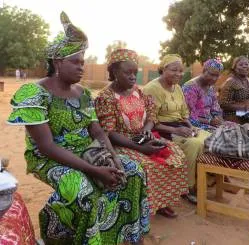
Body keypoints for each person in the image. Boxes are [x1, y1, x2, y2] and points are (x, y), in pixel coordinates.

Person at [7, 12, 149, 245]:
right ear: (57, 62)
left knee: (132, 171)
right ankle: (70, 235)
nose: (81, 68)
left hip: (86, 149)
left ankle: (125, 237)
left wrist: (114, 159)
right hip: (50, 158)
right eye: (76, 62)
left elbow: (97, 131)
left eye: (83, 62)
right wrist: (93, 170)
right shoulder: (33, 94)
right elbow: (46, 146)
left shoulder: (82, 93)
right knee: (83, 189)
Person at [95, 49, 188, 218]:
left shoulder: (138, 91)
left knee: (175, 155)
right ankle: (142, 208)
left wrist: (146, 130)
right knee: (147, 165)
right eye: (127, 72)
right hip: (122, 143)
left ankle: (162, 202)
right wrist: (140, 147)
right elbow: (109, 132)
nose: (132, 77)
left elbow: (152, 114)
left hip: (143, 137)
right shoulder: (106, 97)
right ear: (115, 72)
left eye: (134, 72)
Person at [143, 54, 211, 204]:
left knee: (208, 137)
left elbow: (183, 113)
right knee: (194, 144)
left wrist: (189, 126)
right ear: (163, 69)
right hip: (161, 130)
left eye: (181, 71)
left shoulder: (178, 88)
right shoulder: (152, 88)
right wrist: (176, 131)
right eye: (174, 70)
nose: (179, 74)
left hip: (179, 126)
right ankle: (188, 187)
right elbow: (151, 120)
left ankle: (203, 179)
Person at [182, 58, 224, 132]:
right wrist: (209, 121)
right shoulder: (190, 87)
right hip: (194, 125)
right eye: (212, 74)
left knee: (234, 130)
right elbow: (187, 116)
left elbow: (215, 109)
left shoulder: (210, 87)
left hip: (211, 124)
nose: (214, 78)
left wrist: (219, 120)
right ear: (204, 71)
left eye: (217, 76)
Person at [219, 56, 249, 123]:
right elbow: (223, 104)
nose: (244, 66)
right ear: (235, 68)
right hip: (232, 116)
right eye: (241, 65)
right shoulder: (230, 82)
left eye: (246, 64)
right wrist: (245, 107)